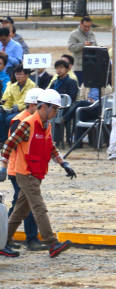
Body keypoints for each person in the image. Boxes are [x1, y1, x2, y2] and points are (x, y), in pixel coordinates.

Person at [0, 89, 75, 258]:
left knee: (19, 212)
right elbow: (8, 145)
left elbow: (51, 147)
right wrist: (3, 166)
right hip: (25, 173)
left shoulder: (46, 125)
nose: (56, 112)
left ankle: (2, 241)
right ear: (45, 107)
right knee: (39, 207)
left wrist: (64, 163)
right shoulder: (27, 124)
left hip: (36, 173)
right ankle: (52, 243)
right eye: (55, 109)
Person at [5, 87, 43, 250]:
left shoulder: (35, 119)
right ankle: (31, 239)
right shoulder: (21, 120)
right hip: (18, 169)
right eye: (40, 104)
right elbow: (13, 146)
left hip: (27, 169)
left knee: (19, 205)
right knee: (27, 203)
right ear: (32, 104)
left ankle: (5, 237)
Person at [0, 65, 33, 142]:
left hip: (26, 110)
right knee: (1, 117)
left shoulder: (32, 85)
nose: (18, 76)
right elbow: (9, 100)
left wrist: (16, 108)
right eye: (16, 74)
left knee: (9, 119)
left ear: (27, 75)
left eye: (20, 74)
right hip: (13, 110)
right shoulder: (13, 86)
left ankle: (11, 140)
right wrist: (4, 108)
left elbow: (26, 102)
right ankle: (3, 140)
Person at [67, 15, 97, 83]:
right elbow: (70, 47)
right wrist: (83, 45)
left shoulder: (92, 34)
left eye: (89, 26)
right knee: (81, 88)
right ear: (80, 24)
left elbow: (96, 46)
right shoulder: (74, 34)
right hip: (80, 67)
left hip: (92, 66)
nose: (87, 28)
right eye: (85, 26)